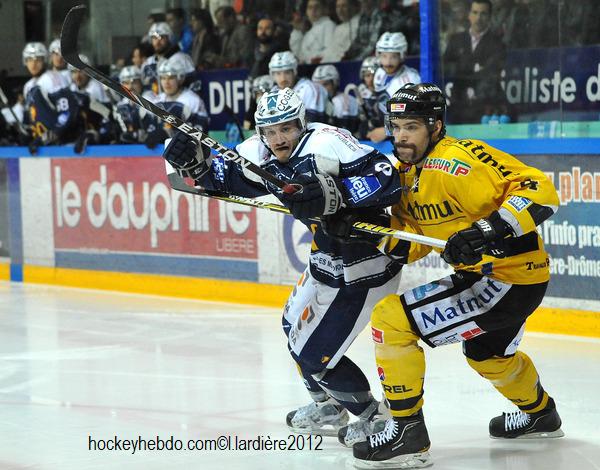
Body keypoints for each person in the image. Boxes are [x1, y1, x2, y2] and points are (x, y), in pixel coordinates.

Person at [161, 87, 406, 447]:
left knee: (315, 357)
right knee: (292, 326)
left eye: (287, 129)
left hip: (364, 267)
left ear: (302, 123)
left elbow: (387, 178)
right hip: (324, 259)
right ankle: (329, 405)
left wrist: (335, 194)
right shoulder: (256, 152)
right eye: (271, 132)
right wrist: (191, 161)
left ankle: (373, 417)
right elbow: (211, 181)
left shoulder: (327, 143)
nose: (279, 139)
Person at [344, 83, 563, 468]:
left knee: (391, 320)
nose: (400, 137)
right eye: (395, 127)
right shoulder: (406, 173)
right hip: (498, 281)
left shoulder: (458, 162)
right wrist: (363, 232)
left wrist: (487, 231)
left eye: (411, 127)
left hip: (506, 278)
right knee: (487, 356)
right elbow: (413, 245)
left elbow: (542, 191)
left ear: (436, 125)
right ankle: (541, 414)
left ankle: (408, 432)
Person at [443, 0, 506, 123]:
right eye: (475, 12)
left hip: (484, 108)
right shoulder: (456, 40)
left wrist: (463, 70)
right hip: (457, 106)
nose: (479, 18)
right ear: (469, 15)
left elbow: (489, 72)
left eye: (483, 13)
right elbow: (446, 67)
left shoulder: (497, 44)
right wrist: (473, 68)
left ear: (490, 16)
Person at [21, 42, 79, 150]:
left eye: (38, 59)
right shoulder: (28, 86)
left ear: (45, 60)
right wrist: (25, 132)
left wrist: (51, 135)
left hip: (61, 146)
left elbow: (67, 112)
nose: (33, 64)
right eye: (29, 60)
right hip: (40, 147)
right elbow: (30, 116)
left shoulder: (53, 79)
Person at [143, 57, 209, 149]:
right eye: (163, 78)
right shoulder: (157, 100)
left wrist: (171, 133)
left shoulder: (193, 100)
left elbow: (200, 132)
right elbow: (150, 129)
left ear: (180, 78)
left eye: (171, 77)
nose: (166, 82)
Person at [368, 31, 421, 143]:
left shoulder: (411, 79)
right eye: (384, 56)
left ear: (402, 56)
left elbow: (414, 117)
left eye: (393, 57)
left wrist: (386, 131)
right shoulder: (379, 74)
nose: (387, 62)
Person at [268, 51, 328, 123]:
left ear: (294, 72)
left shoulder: (309, 88)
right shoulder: (272, 92)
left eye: (287, 72)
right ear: (272, 75)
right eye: (278, 73)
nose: (283, 78)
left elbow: (312, 123)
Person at [311, 64, 360, 135]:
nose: (321, 89)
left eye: (325, 84)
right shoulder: (315, 103)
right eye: (317, 85)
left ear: (335, 83)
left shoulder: (342, 100)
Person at [289, 0, 336, 64]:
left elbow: (330, 51)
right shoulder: (308, 33)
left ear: (324, 9)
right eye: (310, 8)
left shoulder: (329, 25)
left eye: (317, 7)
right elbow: (299, 54)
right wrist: (297, 31)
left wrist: (312, 59)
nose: (313, 10)